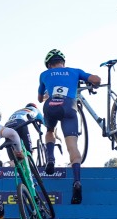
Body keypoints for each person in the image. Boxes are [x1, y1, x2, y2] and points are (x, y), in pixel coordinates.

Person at [38, 49, 101, 204]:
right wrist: (94, 83)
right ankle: (77, 181)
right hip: (69, 105)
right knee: (72, 146)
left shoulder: (44, 74)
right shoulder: (75, 71)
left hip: (51, 104)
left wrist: (47, 94)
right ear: (63, 62)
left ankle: (50, 158)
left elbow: (40, 98)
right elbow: (96, 79)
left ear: (49, 65)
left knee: (50, 130)